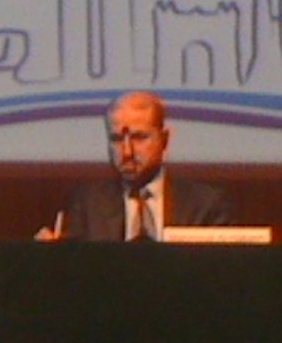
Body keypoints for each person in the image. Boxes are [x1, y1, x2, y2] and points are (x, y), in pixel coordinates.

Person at [38, 90, 233, 241]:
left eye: (139, 137)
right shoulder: (87, 203)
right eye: (116, 139)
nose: (127, 152)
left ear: (164, 140)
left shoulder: (205, 205)